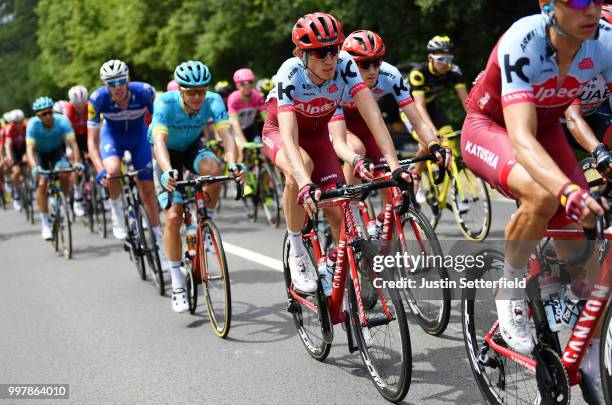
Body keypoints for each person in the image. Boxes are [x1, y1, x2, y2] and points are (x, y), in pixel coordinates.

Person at [461, 1, 611, 400]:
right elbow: (522, 139)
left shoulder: (603, 41)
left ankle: (592, 361)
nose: (591, 8)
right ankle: (509, 289)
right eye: (578, 1)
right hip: (492, 127)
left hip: (547, 130)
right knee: (544, 196)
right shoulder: (523, 40)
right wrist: (567, 191)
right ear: (549, 7)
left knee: (589, 250)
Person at [263, 12, 416, 293]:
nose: (330, 59)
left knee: (339, 210)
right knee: (301, 169)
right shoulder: (290, 71)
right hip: (282, 133)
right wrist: (305, 181)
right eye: (320, 53)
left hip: (319, 135)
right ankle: (296, 248)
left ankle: (348, 296)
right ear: (301, 53)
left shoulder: (346, 65)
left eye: (333, 50)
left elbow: (374, 117)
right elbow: (287, 132)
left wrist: (394, 165)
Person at [149, 60, 243, 313]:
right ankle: (178, 283)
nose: (198, 97)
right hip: (166, 154)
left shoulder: (213, 101)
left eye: (202, 90)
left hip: (192, 148)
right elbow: (159, 139)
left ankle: (206, 220)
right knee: (173, 216)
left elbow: (226, 135)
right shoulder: (165, 103)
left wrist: (233, 163)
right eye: (191, 92)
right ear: (180, 91)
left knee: (214, 170)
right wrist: (167, 170)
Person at [332, 30, 448, 189]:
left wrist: (434, 145)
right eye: (364, 64)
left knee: (389, 179)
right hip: (340, 122)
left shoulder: (391, 75)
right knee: (357, 150)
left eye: (377, 61)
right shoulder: (337, 79)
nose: (372, 70)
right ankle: (352, 206)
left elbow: (417, 121)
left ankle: (385, 214)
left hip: (368, 122)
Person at [87, 59, 166, 275]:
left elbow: (161, 123)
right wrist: (98, 169)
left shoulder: (144, 92)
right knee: (113, 170)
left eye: (122, 80)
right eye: (112, 83)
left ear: (128, 78)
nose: (118, 86)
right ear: (105, 85)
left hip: (139, 136)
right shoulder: (96, 100)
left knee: (148, 189)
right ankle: (116, 212)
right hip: (112, 137)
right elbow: (92, 143)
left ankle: (158, 244)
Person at [26, 97, 84, 240]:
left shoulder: (62, 121)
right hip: (40, 154)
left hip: (57, 152)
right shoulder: (33, 125)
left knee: (65, 173)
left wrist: (77, 162)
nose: (48, 116)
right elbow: (30, 150)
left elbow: (74, 144)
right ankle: (45, 221)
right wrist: (34, 167)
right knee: (42, 182)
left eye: (50, 112)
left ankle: (65, 200)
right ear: (38, 116)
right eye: (44, 114)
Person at [227, 68, 267, 161]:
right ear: (237, 85)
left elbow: (267, 118)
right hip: (235, 130)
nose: (247, 86)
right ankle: (240, 173)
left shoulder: (257, 97)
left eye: (250, 82)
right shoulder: (233, 98)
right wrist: (243, 143)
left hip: (250, 127)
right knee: (242, 152)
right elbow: (235, 124)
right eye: (242, 84)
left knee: (263, 152)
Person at [65, 85, 90, 216]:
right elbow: (68, 134)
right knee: (76, 163)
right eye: (77, 105)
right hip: (73, 138)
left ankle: (102, 192)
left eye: (82, 104)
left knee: (96, 157)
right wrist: (75, 154)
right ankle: (77, 194)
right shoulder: (68, 110)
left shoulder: (90, 106)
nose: (80, 107)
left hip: (87, 135)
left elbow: (97, 127)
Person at [4, 109, 27, 210]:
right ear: (12, 122)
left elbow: (31, 144)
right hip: (14, 150)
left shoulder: (26, 127)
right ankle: (17, 194)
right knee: (16, 172)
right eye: (15, 123)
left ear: (23, 121)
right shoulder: (9, 129)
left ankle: (32, 183)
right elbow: (8, 145)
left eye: (20, 122)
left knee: (31, 163)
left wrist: (27, 154)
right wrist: (9, 157)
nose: (18, 125)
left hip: (24, 148)